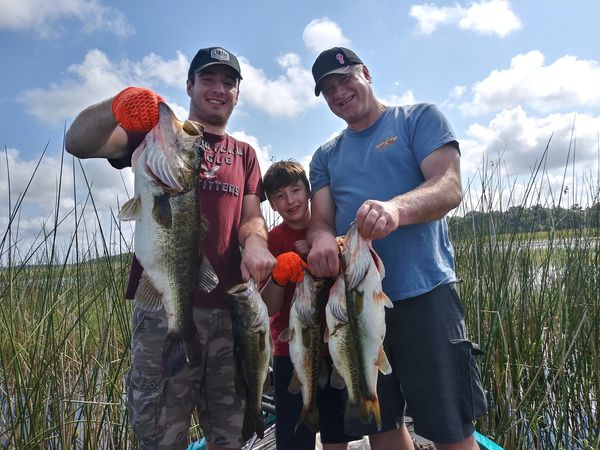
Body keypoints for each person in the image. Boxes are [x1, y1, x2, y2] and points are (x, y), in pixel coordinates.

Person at [65, 46, 276, 450]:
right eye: (208, 79)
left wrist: (255, 243)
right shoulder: (156, 137)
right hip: (164, 306)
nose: (218, 89)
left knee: (230, 435)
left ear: (237, 93)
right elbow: (78, 142)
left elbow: (251, 217)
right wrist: (118, 103)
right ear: (190, 86)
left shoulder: (246, 154)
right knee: (161, 433)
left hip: (232, 314)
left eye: (228, 82)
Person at [306, 47, 488, 450]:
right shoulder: (325, 156)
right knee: (381, 424)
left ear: (366, 73)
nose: (338, 93)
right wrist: (320, 239)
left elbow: (448, 186)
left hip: (425, 296)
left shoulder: (418, 119)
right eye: (328, 89)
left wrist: (395, 209)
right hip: (354, 305)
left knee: (450, 426)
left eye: (344, 80)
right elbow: (320, 219)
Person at [260, 160, 362, 450]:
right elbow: (267, 307)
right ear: (272, 204)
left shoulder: (334, 228)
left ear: (308, 191)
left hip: (337, 349)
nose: (290, 200)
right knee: (293, 440)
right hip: (291, 352)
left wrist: (335, 249)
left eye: (295, 190)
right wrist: (278, 277)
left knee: (336, 435)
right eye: (280, 196)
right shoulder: (273, 240)